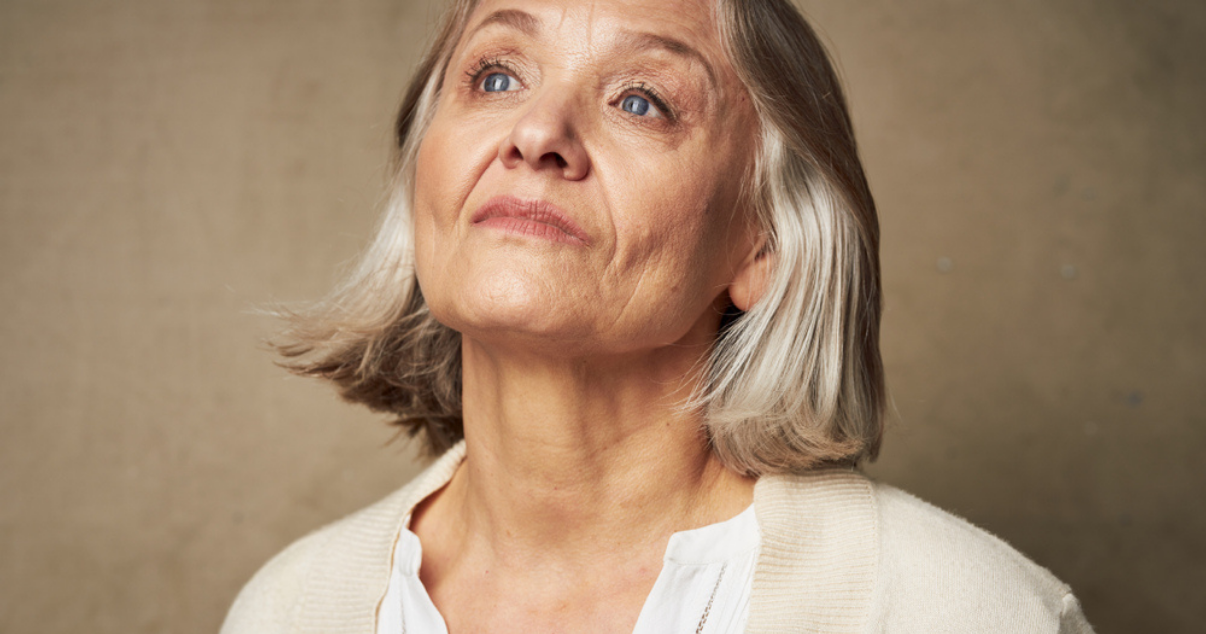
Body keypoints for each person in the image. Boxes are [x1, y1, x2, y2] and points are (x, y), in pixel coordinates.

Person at [221, 0, 1095, 632]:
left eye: (641, 99)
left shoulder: (963, 613)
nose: (537, 132)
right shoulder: (285, 611)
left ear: (763, 246)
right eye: (496, 76)